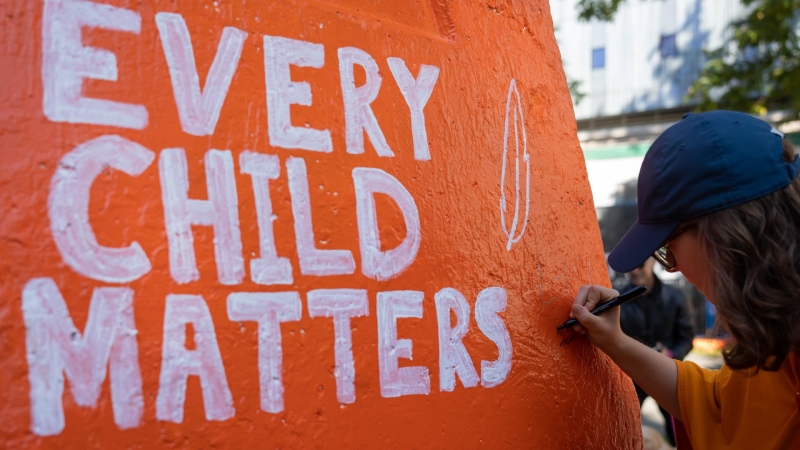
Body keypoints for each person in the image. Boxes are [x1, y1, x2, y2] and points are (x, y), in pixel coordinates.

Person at [568, 111, 800, 449]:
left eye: (666, 249)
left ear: (723, 235)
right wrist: (614, 341)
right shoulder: (775, 340)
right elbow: (716, 403)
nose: (673, 269)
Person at [621, 257, 694, 446]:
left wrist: (670, 354)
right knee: (625, 428)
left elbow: (686, 338)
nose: (634, 270)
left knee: (680, 431)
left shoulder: (675, 297)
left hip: (667, 373)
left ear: (653, 262)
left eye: (639, 264)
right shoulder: (619, 300)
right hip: (634, 378)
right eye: (630, 266)